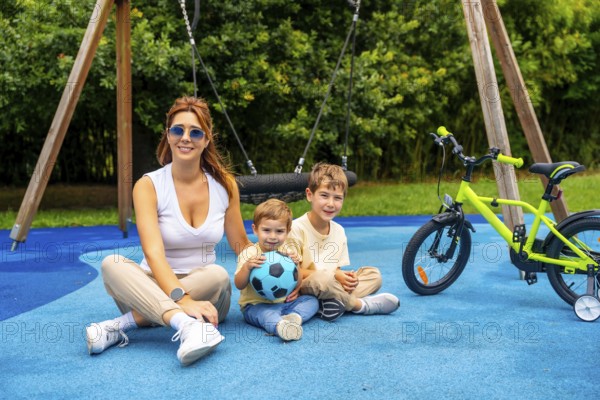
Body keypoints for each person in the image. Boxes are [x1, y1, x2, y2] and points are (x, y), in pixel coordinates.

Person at [86, 96, 252, 366]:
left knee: (218, 276)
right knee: (111, 263)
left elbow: (241, 245)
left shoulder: (225, 185)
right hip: (149, 286)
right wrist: (181, 299)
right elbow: (153, 253)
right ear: (168, 135)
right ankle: (186, 326)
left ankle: (120, 325)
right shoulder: (148, 185)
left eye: (195, 132)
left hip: (206, 294)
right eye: (178, 130)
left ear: (207, 139)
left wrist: (281, 260)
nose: (185, 138)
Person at [289, 162, 400, 321]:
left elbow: (336, 269)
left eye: (337, 198)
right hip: (306, 285)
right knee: (324, 280)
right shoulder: (296, 228)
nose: (330, 204)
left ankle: (331, 302)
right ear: (309, 195)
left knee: (374, 275)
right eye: (324, 195)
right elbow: (294, 273)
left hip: (331, 283)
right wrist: (335, 275)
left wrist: (346, 278)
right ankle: (359, 305)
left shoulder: (339, 231)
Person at [234, 199, 319, 341]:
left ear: (288, 232)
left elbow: (297, 284)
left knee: (312, 301)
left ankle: (295, 318)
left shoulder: (287, 252)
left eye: (279, 231)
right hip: (256, 306)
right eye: (266, 230)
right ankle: (280, 326)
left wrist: (296, 265)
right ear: (255, 229)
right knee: (266, 316)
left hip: (284, 304)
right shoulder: (249, 254)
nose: (273, 237)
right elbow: (238, 284)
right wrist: (247, 267)